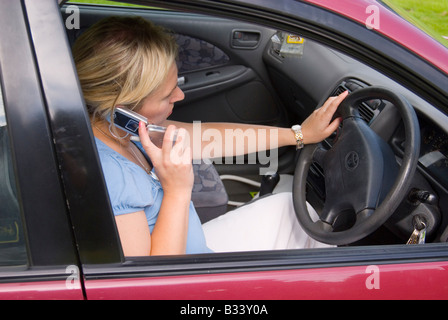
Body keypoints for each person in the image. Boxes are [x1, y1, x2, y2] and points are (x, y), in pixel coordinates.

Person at [73, 16, 348, 256]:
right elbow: (150, 282)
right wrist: (178, 190)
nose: (180, 96)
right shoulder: (112, 175)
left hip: (194, 246)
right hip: (188, 276)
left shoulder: (120, 128)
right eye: (168, 95)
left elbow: (209, 137)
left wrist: (298, 134)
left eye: (176, 85)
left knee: (292, 213)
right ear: (122, 107)